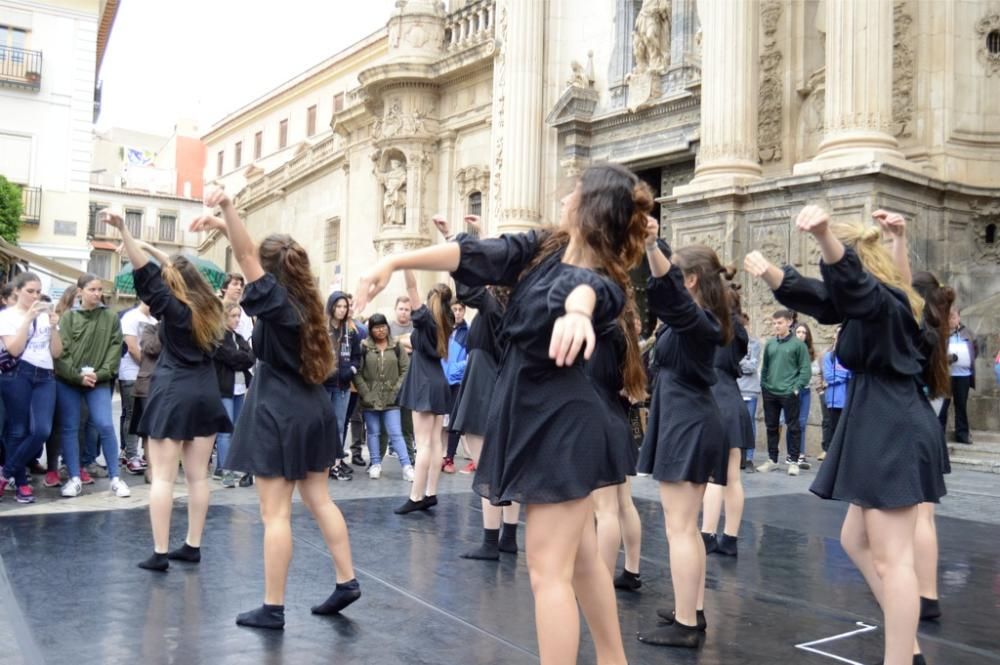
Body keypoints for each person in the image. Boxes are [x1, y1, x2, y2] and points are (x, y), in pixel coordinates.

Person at [355, 163, 650, 665]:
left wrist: (577, 314)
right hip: (542, 416)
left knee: (546, 570)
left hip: (561, 424)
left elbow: (584, 294)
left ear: (591, 205)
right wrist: (395, 259)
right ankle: (612, 659)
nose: (564, 197)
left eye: (574, 191)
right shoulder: (543, 248)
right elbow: (477, 253)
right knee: (579, 559)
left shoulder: (602, 280)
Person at [745, 206, 947, 665]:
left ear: (861, 267)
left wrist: (822, 235)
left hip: (889, 425)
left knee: (892, 561)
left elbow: (855, 287)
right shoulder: (883, 303)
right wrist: (773, 273)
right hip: (877, 420)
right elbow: (825, 297)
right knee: (857, 541)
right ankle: (907, 639)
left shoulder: (884, 305)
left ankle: (902, 656)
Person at [192, 188, 360, 630]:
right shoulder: (306, 303)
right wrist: (223, 224)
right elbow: (248, 251)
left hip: (278, 409)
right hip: (312, 407)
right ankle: (347, 579)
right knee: (319, 499)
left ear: (267, 271)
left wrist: (227, 210)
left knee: (276, 514)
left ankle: (273, 607)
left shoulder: (276, 302)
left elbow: (246, 252)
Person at [104, 210, 232, 571]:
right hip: (206, 393)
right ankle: (192, 545)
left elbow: (146, 276)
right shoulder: (213, 308)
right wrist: (148, 247)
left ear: (173, 282)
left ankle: (160, 551)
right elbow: (169, 271)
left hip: (174, 392)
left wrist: (127, 231)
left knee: (163, 477)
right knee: (198, 477)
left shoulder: (173, 310)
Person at [636, 238, 732, 649]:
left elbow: (667, 294)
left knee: (679, 528)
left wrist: (650, 247)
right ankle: (690, 610)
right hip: (685, 419)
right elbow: (669, 298)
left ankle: (686, 623)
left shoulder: (696, 319)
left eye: (677, 272)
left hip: (687, 423)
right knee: (686, 528)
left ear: (689, 279)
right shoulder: (695, 318)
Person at [431, 215, 520, 560]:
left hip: (484, 385)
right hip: (502, 383)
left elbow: (466, 286)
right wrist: (479, 236)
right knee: (507, 465)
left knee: (486, 464)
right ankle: (508, 537)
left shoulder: (492, 306)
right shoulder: (514, 308)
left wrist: (454, 239)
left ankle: (489, 541)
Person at [53, 273, 129, 499]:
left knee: (105, 425)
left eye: (99, 290)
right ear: (80, 292)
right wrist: (77, 377)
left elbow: (115, 349)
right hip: (69, 381)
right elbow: (60, 353)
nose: (97, 294)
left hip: (99, 380)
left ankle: (116, 477)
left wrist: (101, 373)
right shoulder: (68, 318)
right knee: (70, 428)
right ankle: (74, 477)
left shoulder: (110, 317)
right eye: (92, 290)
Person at [392, 271, 453, 515]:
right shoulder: (447, 319)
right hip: (438, 379)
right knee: (436, 441)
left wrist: (406, 264)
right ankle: (430, 493)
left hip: (425, 382)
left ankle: (416, 496)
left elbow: (411, 287)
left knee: (424, 443)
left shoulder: (426, 319)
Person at [700, 279, 753, 558]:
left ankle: (707, 534)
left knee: (712, 476)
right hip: (734, 401)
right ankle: (730, 539)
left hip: (715, 401)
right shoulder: (739, 330)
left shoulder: (713, 327)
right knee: (732, 478)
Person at [0, 272, 63, 503]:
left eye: (38, 291)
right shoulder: (6, 316)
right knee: (18, 430)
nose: (35, 295)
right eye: (30, 291)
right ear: (16, 291)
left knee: (42, 430)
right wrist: (27, 319)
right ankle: (22, 485)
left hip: (45, 374)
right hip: (18, 373)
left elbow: (57, 352)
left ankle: (5, 473)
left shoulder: (46, 316)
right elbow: (14, 350)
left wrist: (55, 327)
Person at [352, 313, 414, 481]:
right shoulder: (364, 346)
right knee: (373, 432)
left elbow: (405, 369)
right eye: (376, 328)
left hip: (392, 399)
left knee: (396, 432)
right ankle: (375, 463)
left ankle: (407, 466)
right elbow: (357, 372)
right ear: (370, 330)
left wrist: (396, 390)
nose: (381, 331)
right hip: (370, 398)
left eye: (383, 327)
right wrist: (365, 392)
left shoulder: (396, 346)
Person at [756, 309, 811, 475]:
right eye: (774, 323)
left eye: (779, 323)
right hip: (770, 392)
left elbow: (805, 370)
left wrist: (796, 388)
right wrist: (764, 385)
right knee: (771, 427)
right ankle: (772, 460)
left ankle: (793, 461)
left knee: (793, 427)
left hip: (789, 393)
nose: (776, 326)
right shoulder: (771, 344)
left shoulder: (798, 345)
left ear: (789, 323)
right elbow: (765, 367)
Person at [214, 302, 255, 488]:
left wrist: (240, 359)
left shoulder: (239, 337)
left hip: (239, 389)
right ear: (224, 316)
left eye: (239, 316)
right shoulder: (218, 337)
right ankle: (226, 470)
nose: (237, 319)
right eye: (233, 316)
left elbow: (250, 357)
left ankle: (228, 466)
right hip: (224, 389)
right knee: (225, 431)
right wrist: (240, 359)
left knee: (236, 429)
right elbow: (229, 356)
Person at [325, 291, 362, 481]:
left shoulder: (350, 331)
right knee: (323, 424)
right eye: (338, 306)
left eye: (344, 307)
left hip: (343, 385)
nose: (341, 310)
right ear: (331, 307)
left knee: (339, 425)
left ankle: (336, 464)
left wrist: (352, 370)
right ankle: (320, 463)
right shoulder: (322, 329)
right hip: (324, 385)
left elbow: (357, 356)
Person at [119, 300, 156, 474]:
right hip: (131, 373)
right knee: (131, 414)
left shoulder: (155, 320)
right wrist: (147, 367)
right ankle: (130, 454)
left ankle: (145, 455)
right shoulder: (131, 317)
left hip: (150, 376)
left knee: (147, 416)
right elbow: (132, 347)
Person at [441, 300, 469, 474]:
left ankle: (450, 457)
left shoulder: (468, 332)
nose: (457, 313)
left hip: (457, 381)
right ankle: (439, 455)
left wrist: (456, 369)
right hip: (440, 380)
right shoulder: (443, 329)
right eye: (455, 309)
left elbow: (470, 356)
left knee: (454, 420)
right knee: (437, 420)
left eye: (460, 309)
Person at [940, 307, 975, 444]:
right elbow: (937, 352)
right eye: (948, 318)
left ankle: (962, 434)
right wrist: (948, 358)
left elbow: (975, 349)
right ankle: (939, 434)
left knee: (961, 405)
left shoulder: (968, 333)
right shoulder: (942, 333)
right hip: (946, 375)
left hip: (963, 375)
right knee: (943, 405)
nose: (951, 320)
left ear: (959, 318)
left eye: (953, 317)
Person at [820, 326, 851, 460]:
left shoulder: (851, 355)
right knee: (832, 429)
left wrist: (840, 376)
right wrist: (843, 375)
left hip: (848, 400)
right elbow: (828, 376)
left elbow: (852, 373)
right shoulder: (829, 356)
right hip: (833, 400)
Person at [794, 321, 820, 464]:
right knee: (793, 422)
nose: (801, 335)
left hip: (805, 390)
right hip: (792, 390)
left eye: (804, 332)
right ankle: (793, 453)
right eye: (799, 332)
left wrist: (805, 370)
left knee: (802, 422)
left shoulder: (810, 351)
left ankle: (801, 454)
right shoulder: (790, 349)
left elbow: (816, 369)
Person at [737, 313, 761, 467]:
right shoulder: (732, 343)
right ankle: (737, 456)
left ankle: (749, 457)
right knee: (736, 423)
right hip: (737, 389)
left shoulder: (755, 344)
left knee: (750, 422)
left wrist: (740, 362)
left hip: (750, 389)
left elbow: (752, 367)